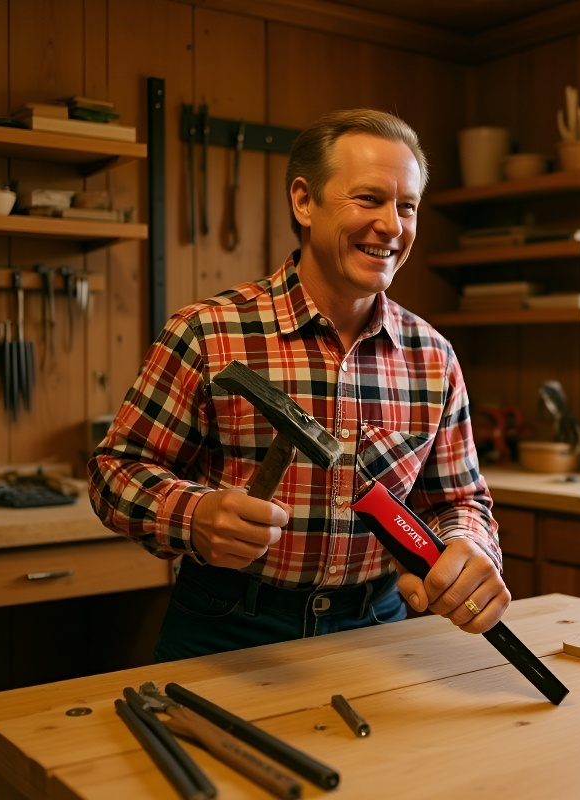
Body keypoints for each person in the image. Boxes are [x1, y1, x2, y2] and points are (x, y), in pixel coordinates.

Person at [88, 108, 510, 661]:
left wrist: (468, 545)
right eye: (368, 199)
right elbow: (114, 471)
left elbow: (459, 499)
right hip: (227, 622)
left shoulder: (433, 357)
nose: (392, 225)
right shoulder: (208, 333)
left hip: (378, 627)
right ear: (304, 202)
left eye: (407, 206)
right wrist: (193, 516)